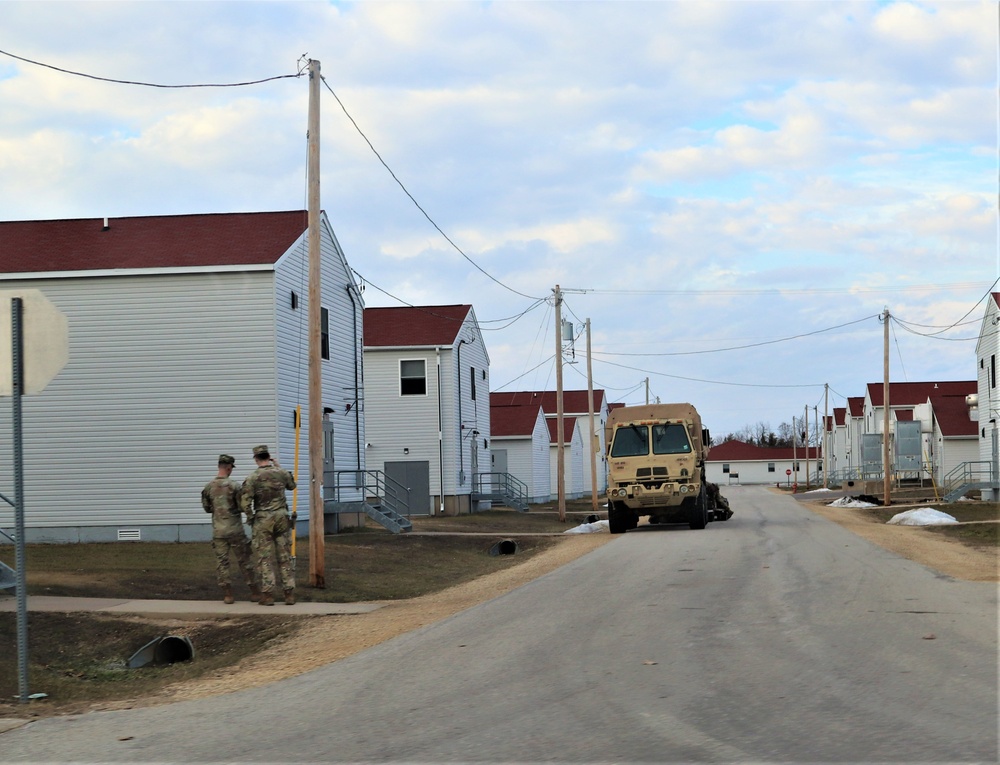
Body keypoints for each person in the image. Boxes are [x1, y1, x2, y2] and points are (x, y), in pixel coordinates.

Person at [241, 444, 297, 606]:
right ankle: (289, 594)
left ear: (256, 459)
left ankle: (268, 594)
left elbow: (245, 503)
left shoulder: (253, 477)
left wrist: (251, 517)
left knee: (264, 557)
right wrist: (278, 465)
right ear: (269, 457)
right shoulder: (281, 473)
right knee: (284, 555)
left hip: (263, 518)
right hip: (281, 517)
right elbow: (292, 485)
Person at [201, 454, 260, 604]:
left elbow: (207, 508)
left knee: (222, 562)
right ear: (228, 468)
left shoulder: (208, 487)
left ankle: (227, 594)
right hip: (235, 530)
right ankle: (254, 592)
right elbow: (242, 506)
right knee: (245, 561)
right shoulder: (235, 486)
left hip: (218, 531)